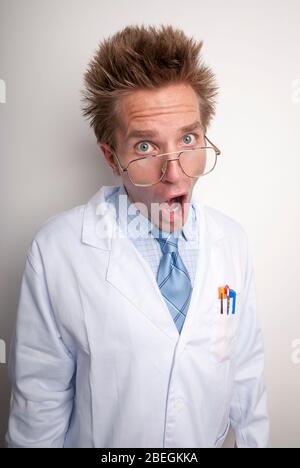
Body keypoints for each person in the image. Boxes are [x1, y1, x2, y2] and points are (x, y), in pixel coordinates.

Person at [6, 25, 269, 448]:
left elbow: (245, 373)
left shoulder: (231, 241)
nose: (176, 173)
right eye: (146, 147)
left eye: (188, 138)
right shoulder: (57, 251)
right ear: (112, 156)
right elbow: (39, 407)